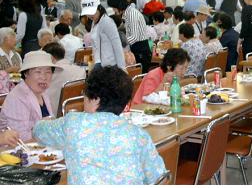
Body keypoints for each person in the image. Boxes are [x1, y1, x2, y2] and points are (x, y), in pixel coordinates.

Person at [33, 66, 166, 184]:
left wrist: (45, 120)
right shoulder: (138, 135)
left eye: (84, 94)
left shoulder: (73, 124)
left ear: (95, 98)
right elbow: (159, 177)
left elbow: (38, 131)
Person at [0, 50, 61, 141]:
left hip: (41, 147)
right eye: (38, 72)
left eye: (48, 72)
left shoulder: (43, 92)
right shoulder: (17, 97)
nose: (44, 77)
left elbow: (50, 122)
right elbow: (20, 136)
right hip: (14, 150)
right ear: (26, 73)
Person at [108, 0, 152, 72]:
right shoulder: (127, 13)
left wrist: (118, 44)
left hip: (140, 51)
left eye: (114, 7)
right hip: (137, 49)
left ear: (119, 5)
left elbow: (134, 37)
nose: (113, 10)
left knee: (139, 79)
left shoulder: (131, 14)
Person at [81, 0, 125, 69]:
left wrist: (122, 68)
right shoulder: (94, 22)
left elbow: (117, 45)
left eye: (93, 12)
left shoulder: (107, 22)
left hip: (110, 66)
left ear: (99, 8)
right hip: (99, 64)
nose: (90, 15)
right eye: (87, 13)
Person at [42, 42, 86, 114]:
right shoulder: (81, 71)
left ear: (51, 58)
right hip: (77, 112)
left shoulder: (50, 74)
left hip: (53, 116)